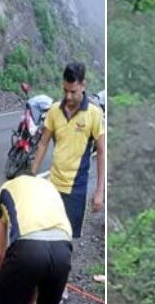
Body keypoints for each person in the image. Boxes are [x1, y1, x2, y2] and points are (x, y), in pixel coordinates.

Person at [0, 159, 73, 304]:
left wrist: (7, 288)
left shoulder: (5, 189)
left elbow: (1, 254)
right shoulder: (49, 187)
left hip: (28, 248)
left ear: (13, 176)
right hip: (63, 249)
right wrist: (31, 299)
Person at [31, 62, 104, 238]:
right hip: (52, 184)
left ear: (83, 85)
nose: (68, 96)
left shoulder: (94, 114)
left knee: (66, 240)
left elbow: (101, 152)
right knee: (45, 234)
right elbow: (43, 143)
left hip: (76, 189)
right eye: (65, 91)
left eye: (73, 91)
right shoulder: (55, 110)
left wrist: (99, 191)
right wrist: (32, 175)